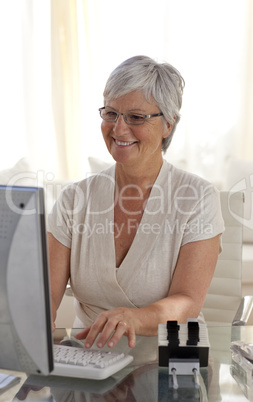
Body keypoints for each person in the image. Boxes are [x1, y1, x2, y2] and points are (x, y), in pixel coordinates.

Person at [47, 55, 225, 352]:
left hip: (169, 366)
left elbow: (187, 301)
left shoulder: (198, 197)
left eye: (136, 117)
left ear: (168, 124)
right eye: (111, 113)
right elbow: (46, 297)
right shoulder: (74, 199)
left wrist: (134, 318)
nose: (118, 129)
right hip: (88, 366)